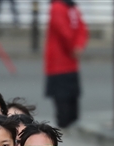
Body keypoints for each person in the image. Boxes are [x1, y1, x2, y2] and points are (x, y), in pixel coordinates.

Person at [44, 0, 88, 129]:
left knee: (62, 97)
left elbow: (63, 30)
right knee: (71, 96)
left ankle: (64, 125)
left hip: (58, 60)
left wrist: (74, 47)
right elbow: (81, 29)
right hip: (70, 60)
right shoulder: (72, 7)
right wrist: (78, 46)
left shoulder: (57, 7)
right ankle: (71, 123)